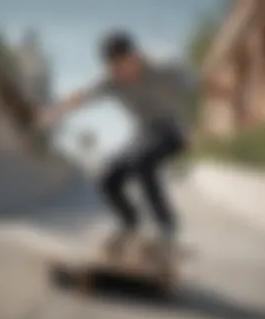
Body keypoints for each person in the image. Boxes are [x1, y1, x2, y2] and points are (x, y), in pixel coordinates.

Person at [38, 30, 231, 274]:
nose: (119, 73)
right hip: (143, 135)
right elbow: (82, 97)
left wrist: (230, 96)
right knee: (108, 179)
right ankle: (129, 223)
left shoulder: (166, 67)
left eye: (122, 65)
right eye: (113, 67)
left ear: (135, 56)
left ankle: (167, 230)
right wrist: (52, 112)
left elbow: (203, 82)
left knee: (143, 161)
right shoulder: (111, 80)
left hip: (173, 132)